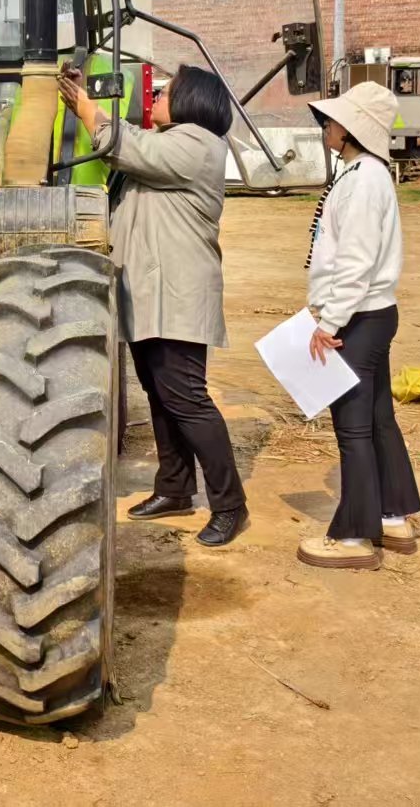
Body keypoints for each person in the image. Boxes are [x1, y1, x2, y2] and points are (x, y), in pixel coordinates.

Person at [57, 63, 248, 547]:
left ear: (192, 101)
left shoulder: (198, 143)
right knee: (161, 397)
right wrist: (81, 104)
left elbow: (129, 147)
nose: (157, 96)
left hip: (177, 296)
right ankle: (175, 488)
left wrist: (85, 106)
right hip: (150, 294)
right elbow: (123, 150)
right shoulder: (171, 142)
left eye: (167, 91)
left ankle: (230, 505)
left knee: (188, 400)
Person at [297, 80, 420, 570]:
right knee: (376, 420)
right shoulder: (361, 174)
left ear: (350, 130)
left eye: (332, 120)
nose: (326, 125)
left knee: (352, 428)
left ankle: (354, 538)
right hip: (370, 313)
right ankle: (393, 515)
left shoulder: (365, 179)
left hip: (359, 315)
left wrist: (328, 320)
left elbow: (355, 261)